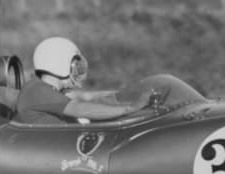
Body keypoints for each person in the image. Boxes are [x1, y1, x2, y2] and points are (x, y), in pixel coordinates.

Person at [14, 37, 155, 124]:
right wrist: (130, 109)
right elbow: (80, 109)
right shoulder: (37, 90)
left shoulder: (40, 89)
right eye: (75, 66)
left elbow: (81, 105)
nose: (78, 71)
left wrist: (116, 99)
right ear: (58, 63)